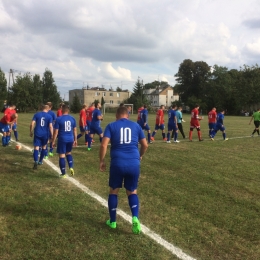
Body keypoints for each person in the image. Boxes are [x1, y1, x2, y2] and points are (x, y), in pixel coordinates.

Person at [99, 106, 148, 234]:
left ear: (116, 115)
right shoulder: (136, 126)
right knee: (132, 192)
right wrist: (140, 155)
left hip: (117, 163)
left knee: (114, 191)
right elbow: (145, 144)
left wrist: (102, 160)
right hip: (133, 163)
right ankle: (135, 217)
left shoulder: (111, 126)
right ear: (128, 115)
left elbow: (104, 144)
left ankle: (113, 221)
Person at [52, 104, 77, 178]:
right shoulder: (72, 118)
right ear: (68, 110)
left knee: (62, 155)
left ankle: (63, 173)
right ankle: (71, 167)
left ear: (62, 110)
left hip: (62, 138)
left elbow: (56, 132)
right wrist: (75, 139)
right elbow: (75, 130)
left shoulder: (59, 119)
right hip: (70, 138)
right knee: (68, 153)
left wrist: (53, 141)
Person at [30, 105, 53, 169]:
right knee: (44, 147)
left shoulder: (37, 114)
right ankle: (40, 161)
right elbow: (51, 126)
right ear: (48, 109)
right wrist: (52, 135)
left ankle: (35, 161)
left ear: (42, 108)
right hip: (45, 134)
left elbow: (32, 124)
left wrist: (31, 131)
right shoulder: (49, 116)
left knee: (36, 147)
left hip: (37, 133)